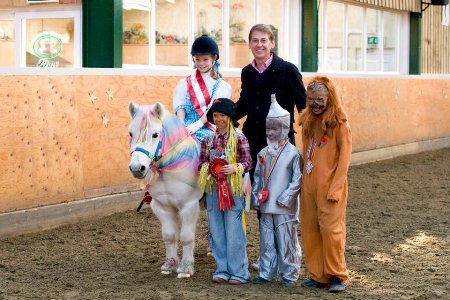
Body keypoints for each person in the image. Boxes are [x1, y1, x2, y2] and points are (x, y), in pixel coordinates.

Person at [235, 23, 306, 271]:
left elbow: (303, 104)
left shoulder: (287, 70)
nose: (259, 45)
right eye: (255, 40)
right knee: (261, 199)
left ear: (272, 43)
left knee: (283, 201)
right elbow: (245, 101)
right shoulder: (247, 72)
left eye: (264, 40)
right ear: (250, 44)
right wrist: (225, 115)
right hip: (255, 146)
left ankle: (288, 254)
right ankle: (269, 255)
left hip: (281, 148)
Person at [298, 76, 352, 293]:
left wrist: (336, 188)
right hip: (309, 186)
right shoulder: (308, 122)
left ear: (329, 98)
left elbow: (345, 158)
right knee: (310, 229)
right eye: (310, 99)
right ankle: (319, 275)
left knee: (331, 231)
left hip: (330, 188)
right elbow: (306, 155)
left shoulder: (340, 123)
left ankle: (337, 275)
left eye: (320, 99)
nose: (315, 104)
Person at [198, 98, 252, 285]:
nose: (218, 118)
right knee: (217, 231)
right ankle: (221, 268)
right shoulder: (208, 139)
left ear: (229, 117)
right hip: (213, 190)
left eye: (222, 115)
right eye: (215, 115)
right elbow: (202, 162)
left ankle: (239, 271)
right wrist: (208, 169)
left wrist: (235, 167)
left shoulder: (239, 137)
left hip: (233, 190)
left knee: (234, 230)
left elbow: (247, 162)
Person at [250, 95, 302, 288]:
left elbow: (297, 179)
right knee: (267, 240)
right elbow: (257, 178)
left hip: (284, 206)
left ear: (285, 129)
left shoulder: (293, 153)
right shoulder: (262, 153)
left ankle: (290, 273)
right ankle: (266, 271)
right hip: (266, 205)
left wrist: (286, 197)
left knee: (287, 239)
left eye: (276, 128)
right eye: (268, 129)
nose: (271, 133)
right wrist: (256, 197)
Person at [173, 34, 232, 143]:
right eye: (197, 59)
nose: (201, 63)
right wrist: (181, 125)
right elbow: (180, 107)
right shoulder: (185, 83)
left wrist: (197, 125)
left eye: (205, 59)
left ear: (213, 58)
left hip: (209, 128)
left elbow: (213, 109)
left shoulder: (221, 86)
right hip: (186, 128)